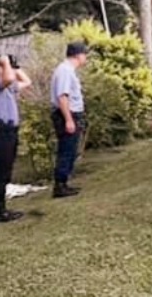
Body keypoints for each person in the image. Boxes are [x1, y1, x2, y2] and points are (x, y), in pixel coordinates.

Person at [0, 55, 32, 223]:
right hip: (2, 132)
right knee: (0, 173)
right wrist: (4, 60)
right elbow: (8, 77)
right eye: (7, 68)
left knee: (3, 173)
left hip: (10, 131)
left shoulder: (10, 87)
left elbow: (27, 82)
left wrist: (15, 66)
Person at [50, 42, 88, 198]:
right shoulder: (65, 71)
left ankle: (64, 183)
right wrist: (69, 119)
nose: (86, 57)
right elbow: (62, 96)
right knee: (66, 150)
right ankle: (60, 185)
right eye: (85, 54)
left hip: (70, 113)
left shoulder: (67, 70)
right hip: (66, 113)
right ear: (78, 55)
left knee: (70, 150)